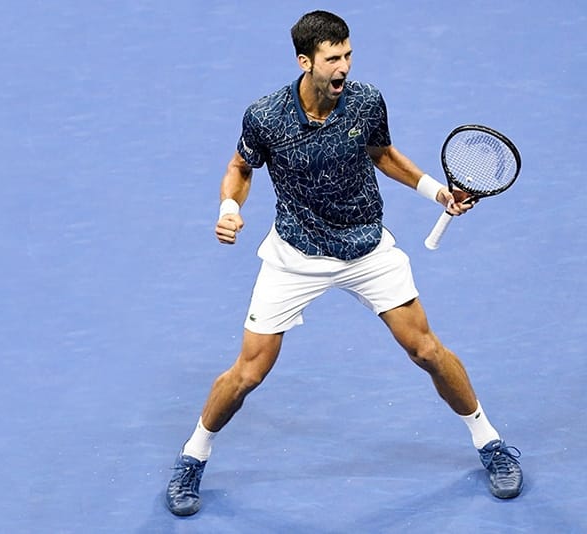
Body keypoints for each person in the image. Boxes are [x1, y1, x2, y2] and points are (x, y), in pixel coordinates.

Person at [165, 10, 523, 517]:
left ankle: (490, 443)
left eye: (348, 56)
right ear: (305, 61)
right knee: (248, 373)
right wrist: (229, 208)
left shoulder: (366, 101)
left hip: (366, 249)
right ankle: (193, 456)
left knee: (425, 350)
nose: (344, 68)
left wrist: (436, 192)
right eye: (333, 59)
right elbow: (240, 167)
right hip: (295, 254)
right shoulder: (266, 117)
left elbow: (383, 154)